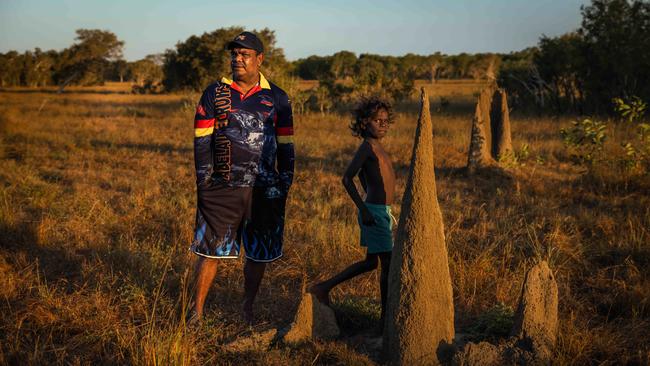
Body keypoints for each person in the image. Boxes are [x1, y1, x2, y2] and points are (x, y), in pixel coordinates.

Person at [189, 31, 294, 324]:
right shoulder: (215, 92)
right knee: (210, 250)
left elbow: (287, 144)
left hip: (264, 189)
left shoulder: (277, 97)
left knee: (258, 253)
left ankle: (247, 309)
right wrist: (203, 183)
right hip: (223, 186)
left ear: (259, 59)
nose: (237, 59)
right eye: (234, 54)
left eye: (244, 54)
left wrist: (285, 181)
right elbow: (201, 140)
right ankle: (195, 312)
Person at [310, 97, 396, 330]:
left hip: (382, 211)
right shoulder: (367, 147)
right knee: (387, 264)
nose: (383, 125)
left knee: (371, 263)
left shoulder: (378, 147)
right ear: (364, 123)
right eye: (377, 121)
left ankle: (324, 287)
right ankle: (385, 319)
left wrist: (370, 192)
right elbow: (347, 178)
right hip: (374, 212)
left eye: (386, 121)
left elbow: (366, 176)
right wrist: (364, 207)